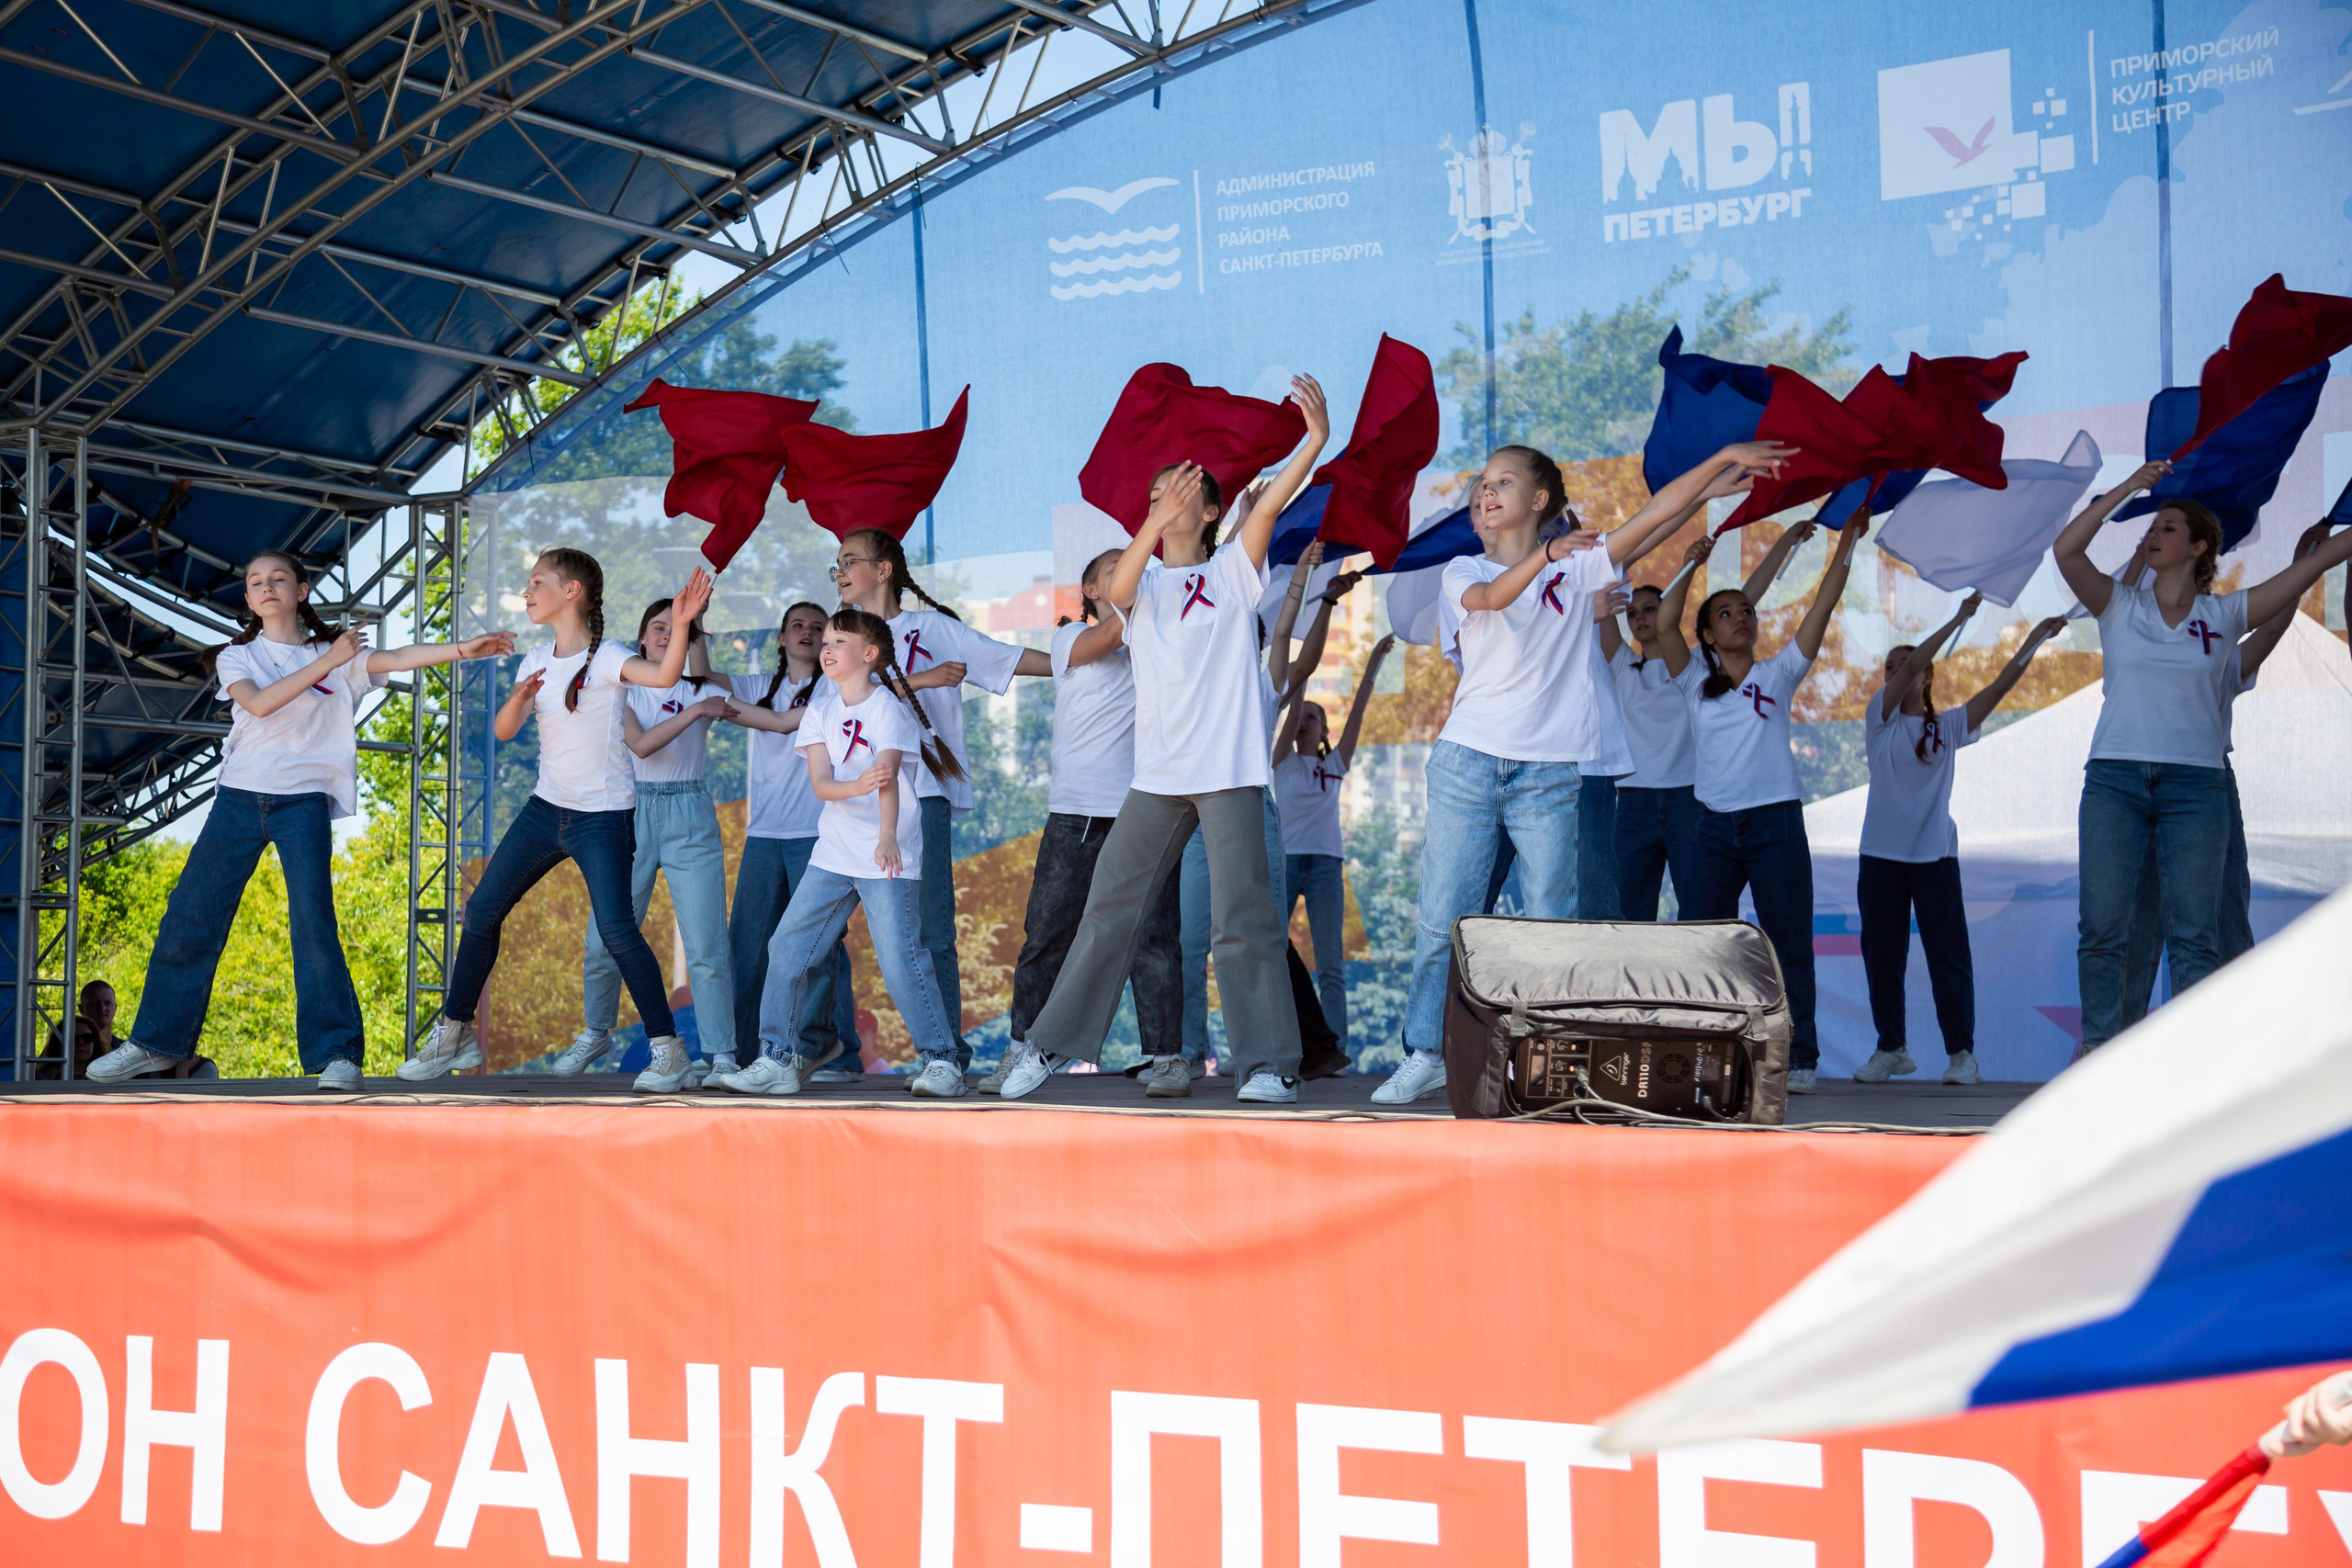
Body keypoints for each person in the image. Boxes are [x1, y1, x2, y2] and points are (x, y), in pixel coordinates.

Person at [1371, 440, 1791, 1106]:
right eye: (1481, 483)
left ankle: (1548, 1059)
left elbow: (1657, 512)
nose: (1486, 491)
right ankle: (1425, 1050)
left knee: (1551, 923)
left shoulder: (1580, 569)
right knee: (1444, 915)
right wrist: (1548, 555)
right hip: (1469, 762)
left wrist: (1717, 464)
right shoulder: (1461, 568)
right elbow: (1488, 598)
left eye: (1503, 481)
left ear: (1540, 501)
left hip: (1549, 774)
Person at [998, 375, 1332, 1104]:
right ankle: (1048, 1046)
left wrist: (1314, 442)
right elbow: (1117, 585)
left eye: (1184, 494)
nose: (1168, 503)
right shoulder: (1139, 587)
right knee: (1108, 911)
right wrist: (1154, 518)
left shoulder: (1233, 573)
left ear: (1212, 509)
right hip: (1156, 778)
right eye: (1156, 496)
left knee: (1243, 921)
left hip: (1231, 770)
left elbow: (1271, 503)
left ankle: (1270, 1063)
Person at [90, 550, 514, 1090]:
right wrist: (330, 660)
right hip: (240, 797)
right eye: (255, 582)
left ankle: (337, 1052)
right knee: (189, 917)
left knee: (313, 923)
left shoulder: (335, 656)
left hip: (304, 802)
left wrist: (462, 648)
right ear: (248, 599)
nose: (266, 587)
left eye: (278, 578)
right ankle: (154, 1043)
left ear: (302, 589)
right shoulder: (236, 657)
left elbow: (400, 657)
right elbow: (262, 704)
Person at [2052, 468, 2352, 1053]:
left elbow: (2305, 576)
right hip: (2115, 780)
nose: (2153, 535)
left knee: (2196, 935)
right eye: (2151, 529)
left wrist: (2311, 552)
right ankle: (2098, 1055)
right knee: (2104, 928)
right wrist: (2130, 490)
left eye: (2168, 527)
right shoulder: (2118, 605)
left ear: (2199, 547)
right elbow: (2066, 549)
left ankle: (2190, 1067)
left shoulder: (2223, 617)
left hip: (2198, 787)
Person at [398, 550, 712, 1083]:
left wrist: (680, 624)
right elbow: (503, 731)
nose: (527, 591)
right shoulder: (535, 660)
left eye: (537, 582)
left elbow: (663, 676)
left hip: (603, 817)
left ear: (571, 592)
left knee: (617, 930)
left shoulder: (610, 656)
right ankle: (455, 1031)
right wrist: (519, 698)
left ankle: (668, 1047)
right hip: (545, 810)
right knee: (481, 910)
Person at [715, 608, 968, 1097]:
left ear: (869, 655)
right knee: (786, 947)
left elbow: (889, 780)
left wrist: (888, 836)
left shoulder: (886, 709)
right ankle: (777, 1059)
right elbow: (823, 785)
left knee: (901, 960)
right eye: (824, 641)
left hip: (884, 852)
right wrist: (855, 785)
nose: (826, 648)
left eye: (838, 641)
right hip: (833, 853)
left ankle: (942, 1062)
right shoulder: (821, 709)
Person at [1653, 509, 1863, 1096]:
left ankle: (1799, 1058)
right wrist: (1693, 564)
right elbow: (1667, 621)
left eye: (1747, 611)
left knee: (1789, 940)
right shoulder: (1694, 681)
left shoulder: (1779, 673)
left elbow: (1823, 603)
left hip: (1775, 822)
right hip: (1712, 828)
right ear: (1710, 636)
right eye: (1727, 613)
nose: (1742, 618)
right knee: (1702, 944)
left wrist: (1844, 545)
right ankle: (1702, 1055)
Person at [829, 529, 1049, 1079]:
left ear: (884, 571)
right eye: (835, 565)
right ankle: (810, 1048)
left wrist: (1085, 655)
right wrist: (922, 680)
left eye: (850, 561)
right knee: (830, 929)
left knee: (929, 929)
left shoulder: (931, 628)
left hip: (919, 792)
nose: (839, 572)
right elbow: (836, 702)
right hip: (854, 801)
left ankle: (946, 1057)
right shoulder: (842, 638)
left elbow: (1006, 658)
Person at [979, 548, 1189, 1096]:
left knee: (1154, 938)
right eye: (1118, 572)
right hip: (1074, 816)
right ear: (1092, 591)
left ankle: (1167, 1058)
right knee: (1046, 935)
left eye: (1139, 572)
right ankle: (1023, 1048)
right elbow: (1108, 638)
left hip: (1145, 812)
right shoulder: (1070, 639)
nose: (1132, 579)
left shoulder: (1156, 645)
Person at [2115, 519, 2333, 1028]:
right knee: (2135, 919)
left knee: (2221, 914)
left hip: (2205, 783)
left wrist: (2302, 564)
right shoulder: (2133, 628)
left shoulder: (2219, 654)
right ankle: (2110, 1044)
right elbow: (2119, 595)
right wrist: (2142, 548)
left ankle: (2224, 1047)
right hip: (2134, 781)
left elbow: (2273, 625)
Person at [1853, 596, 2069, 1088]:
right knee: (1882, 957)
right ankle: (1892, 1048)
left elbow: (1999, 688)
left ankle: (1962, 1055)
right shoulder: (1879, 720)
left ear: (1928, 675)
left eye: (1907, 666)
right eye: (1889, 667)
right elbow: (1907, 672)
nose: (1897, 672)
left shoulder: (1948, 726)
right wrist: (1955, 619)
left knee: (1947, 957)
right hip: (1881, 859)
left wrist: (2033, 641)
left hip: (1935, 858)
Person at [545, 597, 737, 1090]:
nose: (666, 636)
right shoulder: (621, 689)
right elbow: (642, 744)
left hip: (689, 811)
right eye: (658, 628)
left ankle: (720, 1056)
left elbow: (707, 678)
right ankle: (595, 1031)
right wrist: (695, 711)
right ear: (641, 637)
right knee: (602, 937)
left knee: (706, 943)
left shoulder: (704, 687)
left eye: (675, 631)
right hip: (629, 811)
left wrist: (691, 622)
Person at [718, 601, 865, 1084]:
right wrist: (688, 625)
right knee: (748, 948)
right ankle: (741, 1055)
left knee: (821, 949)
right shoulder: (762, 685)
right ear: (781, 638)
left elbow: (782, 724)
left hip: (816, 835)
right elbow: (703, 678)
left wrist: (722, 711)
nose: (805, 632)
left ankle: (834, 1054)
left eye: (817, 628)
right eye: (796, 626)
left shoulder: (832, 688)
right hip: (764, 834)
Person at [1272, 628, 1393, 1051]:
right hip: (1285, 863)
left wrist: (1373, 664)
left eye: (1312, 717)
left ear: (1323, 731)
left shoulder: (1336, 763)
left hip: (1325, 865)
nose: (1303, 720)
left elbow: (1359, 710)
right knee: (1271, 956)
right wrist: (1302, 675)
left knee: (1330, 965)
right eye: (1299, 716)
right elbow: (1289, 715)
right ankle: (1275, 1044)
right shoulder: (1282, 762)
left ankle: (1334, 1049)